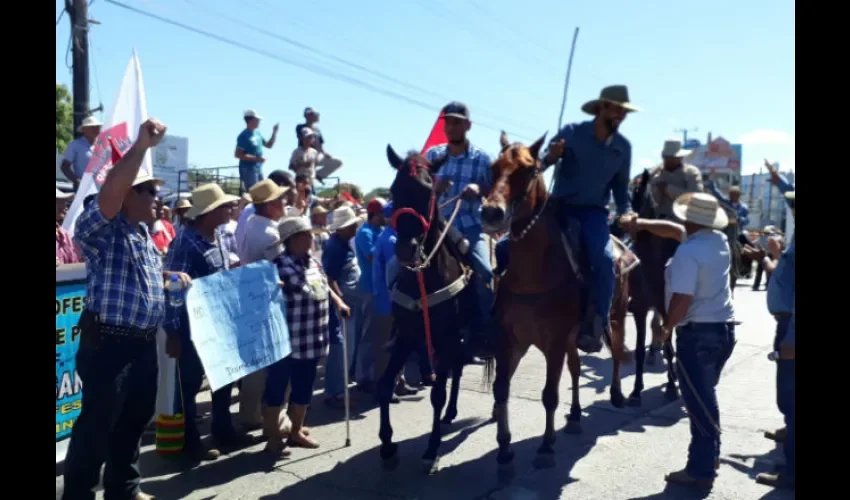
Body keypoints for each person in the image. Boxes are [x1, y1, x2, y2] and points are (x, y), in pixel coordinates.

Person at [62, 118, 189, 500]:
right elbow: (108, 197)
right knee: (97, 427)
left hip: (140, 344)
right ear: (129, 195)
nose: (157, 198)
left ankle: (124, 489)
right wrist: (140, 148)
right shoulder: (104, 227)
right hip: (109, 346)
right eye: (149, 191)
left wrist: (169, 275)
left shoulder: (142, 235)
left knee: (133, 421)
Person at [623, 192, 736, 488]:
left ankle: (700, 471)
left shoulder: (688, 253)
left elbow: (683, 298)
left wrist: (665, 328)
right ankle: (709, 457)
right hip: (723, 330)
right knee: (706, 398)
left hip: (697, 334)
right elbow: (673, 231)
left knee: (699, 405)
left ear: (690, 218)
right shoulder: (717, 242)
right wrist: (643, 223)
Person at [538, 85, 637, 354]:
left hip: (593, 213)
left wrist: (626, 211)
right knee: (505, 248)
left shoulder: (623, 148)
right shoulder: (571, 132)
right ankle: (496, 314)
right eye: (616, 109)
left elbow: (621, 189)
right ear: (601, 108)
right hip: (558, 207)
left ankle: (596, 323)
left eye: (623, 111)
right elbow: (538, 164)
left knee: (605, 262)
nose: (620, 114)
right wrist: (551, 156)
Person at [163, 184, 255, 461]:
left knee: (222, 379)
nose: (230, 209)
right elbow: (173, 287)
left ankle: (222, 430)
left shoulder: (218, 237)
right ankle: (190, 442)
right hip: (193, 327)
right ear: (208, 212)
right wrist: (173, 332)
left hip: (220, 324)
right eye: (225, 206)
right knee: (189, 385)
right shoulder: (184, 242)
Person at [264, 217, 351, 454]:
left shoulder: (313, 262)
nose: (311, 239)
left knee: (304, 387)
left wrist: (338, 301)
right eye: (306, 235)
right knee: (277, 388)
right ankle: (273, 438)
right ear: (292, 240)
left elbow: (324, 286)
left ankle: (296, 431)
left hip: (313, 339)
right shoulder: (279, 266)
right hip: (287, 341)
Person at [425, 101, 496, 358]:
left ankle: (484, 332)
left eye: (456, 122)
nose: (451, 126)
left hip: (468, 227)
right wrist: (434, 188)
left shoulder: (481, 158)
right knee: (399, 269)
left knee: (484, 272)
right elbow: (418, 187)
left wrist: (479, 190)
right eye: (447, 121)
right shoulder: (433, 156)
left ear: (467, 125)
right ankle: (403, 328)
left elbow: (492, 191)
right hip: (436, 229)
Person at [235, 178, 291, 430]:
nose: (285, 202)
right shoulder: (269, 232)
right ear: (269, 205)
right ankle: (264, 415)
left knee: (254, 362)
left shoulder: (249, 223)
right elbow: (282, 267)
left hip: (250, 294)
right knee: (269, 362)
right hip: (267, 299)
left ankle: (249, 414)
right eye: (281, 199)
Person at [754, 164, 795, 490]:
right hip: (787, 325)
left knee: (792, 398)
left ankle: (791, 473)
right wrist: (779, 182)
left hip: (792, 329)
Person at [321, 206, 365, 405]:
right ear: (343, 227)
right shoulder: (335, 248)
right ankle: (335, 393)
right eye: (352, 225)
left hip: (351, 303)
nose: (355, 227)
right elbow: (329, 278)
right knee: (342, 350)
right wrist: (340, 300)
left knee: (347, 348)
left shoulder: (342, 244)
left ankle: (339, 389)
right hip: (344, 307)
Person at [649, 138, 704, 263]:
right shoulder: (655, 173)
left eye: (672, 157)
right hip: (660, 225)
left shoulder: (691, 173)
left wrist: (668, 189)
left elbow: (696, 196)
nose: (669, 160)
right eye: (667, 157)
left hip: (684, 226)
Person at [352, 198, 387, 390]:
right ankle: (362, 377)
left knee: (378, 334)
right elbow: (374, 257)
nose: (386, 218)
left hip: (379, 288)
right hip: (368, 288)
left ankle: (373, 373)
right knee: (368, 335)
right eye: (383, 214)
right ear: (374, 215)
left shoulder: (378, 231)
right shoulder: (365, 233)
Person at [234, 170, 294, 252]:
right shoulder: (271, 236)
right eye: (282, 197)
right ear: (269, 205)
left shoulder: (252, 219)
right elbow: (281, 263)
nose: (285, 201)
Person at [235, 109, 279, 190]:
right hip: (248, 169)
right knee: (254, 192)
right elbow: (238, 154)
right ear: (251, 120)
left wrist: (274, 133)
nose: (259, 121)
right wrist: (257, 158)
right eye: (257, 119)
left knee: (262, 191)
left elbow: (269, 145)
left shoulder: (257, 133)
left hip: (258, 168)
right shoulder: (243, 135)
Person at [61, 115, 102, 191]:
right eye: (92, 127)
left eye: (97, 127)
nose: (96, 129)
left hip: (100, 188)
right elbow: (65, 166)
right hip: (83, 189)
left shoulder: (103, 145)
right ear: (84, 130)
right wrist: (77, 181)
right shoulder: (75, 145)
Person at [56, 189, 83, 265]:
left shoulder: (65, 235)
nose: (64, 205)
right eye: (59, 201)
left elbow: (74, 264)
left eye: (64, 201)